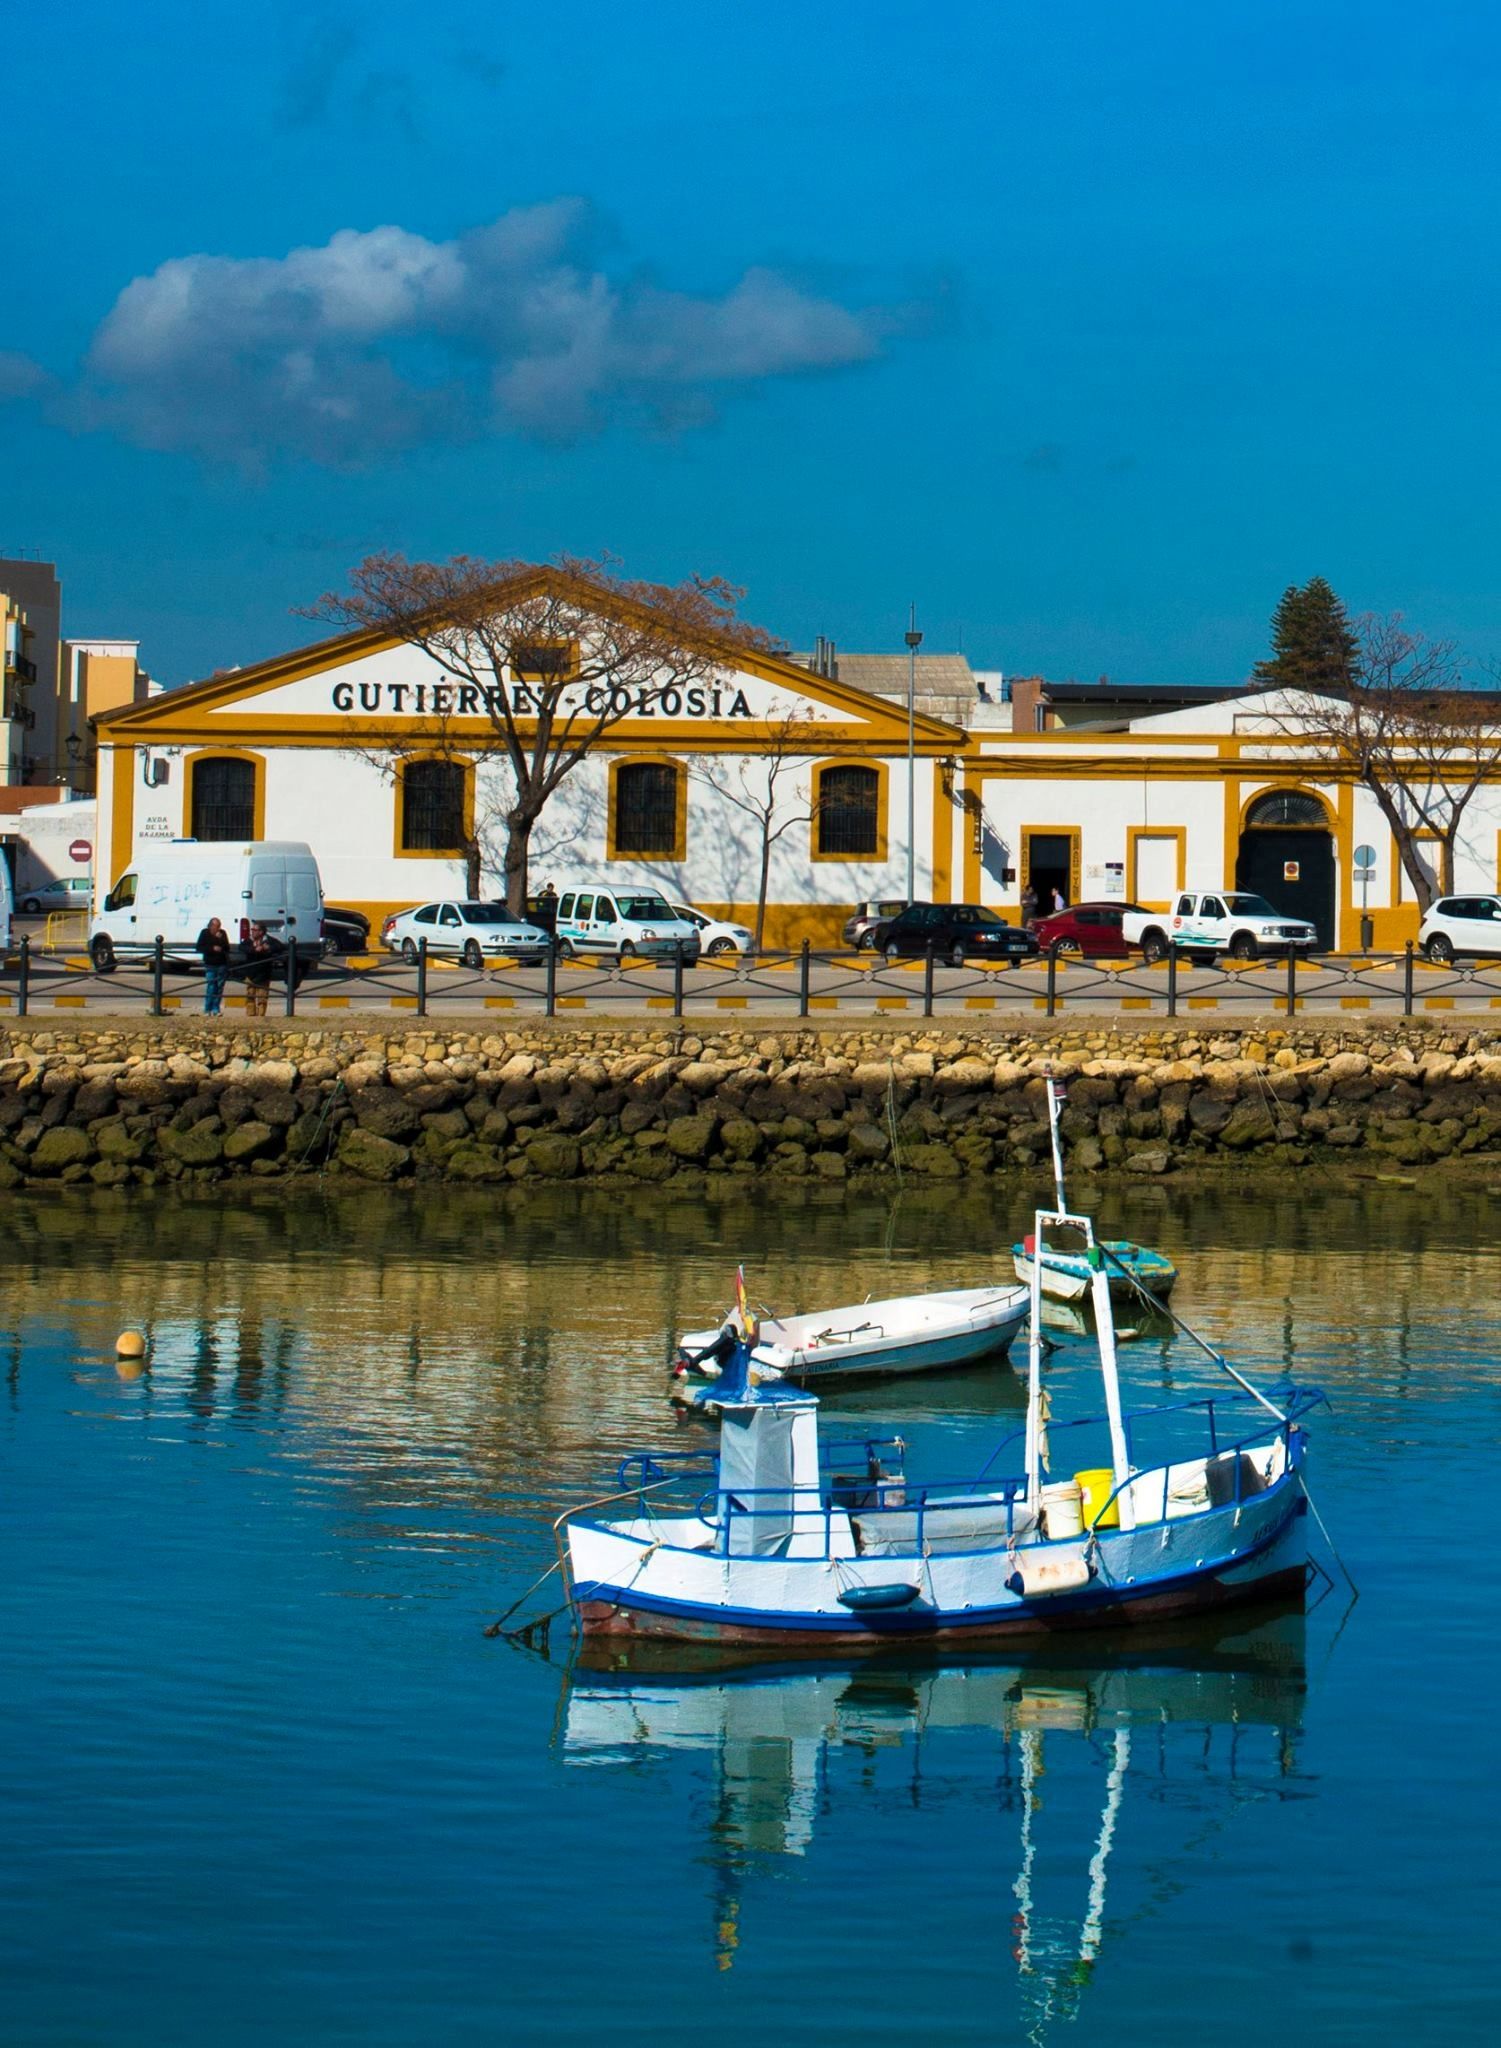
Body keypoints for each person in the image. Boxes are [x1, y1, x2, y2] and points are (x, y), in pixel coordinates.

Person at [242, 922, 282, 1017]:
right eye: (252, 930)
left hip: (264, 973)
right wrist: (253, 949)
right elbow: (242, 947)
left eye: (255, 930)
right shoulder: (249, 940)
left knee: (262, 997)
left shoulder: (269, 940)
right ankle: (250, 1015)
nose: (253, 932)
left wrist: (268, 948)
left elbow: (281, 947)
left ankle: (261, 1015)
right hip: (251, 972)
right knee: (250, 995)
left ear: (261, 931)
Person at [196, 915, 231, 1016]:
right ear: (210, 926)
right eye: (216, 926)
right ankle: (207, 1008)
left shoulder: (222, 933)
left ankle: (216, 1008)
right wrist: (212, 948)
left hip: (221, 964)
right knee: (211, 986)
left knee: (219, 987)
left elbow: (226, 947)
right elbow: (199, 947)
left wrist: (219, 940)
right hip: (210, 963)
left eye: (219, 926)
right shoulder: (205, 933)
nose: (218, 928)